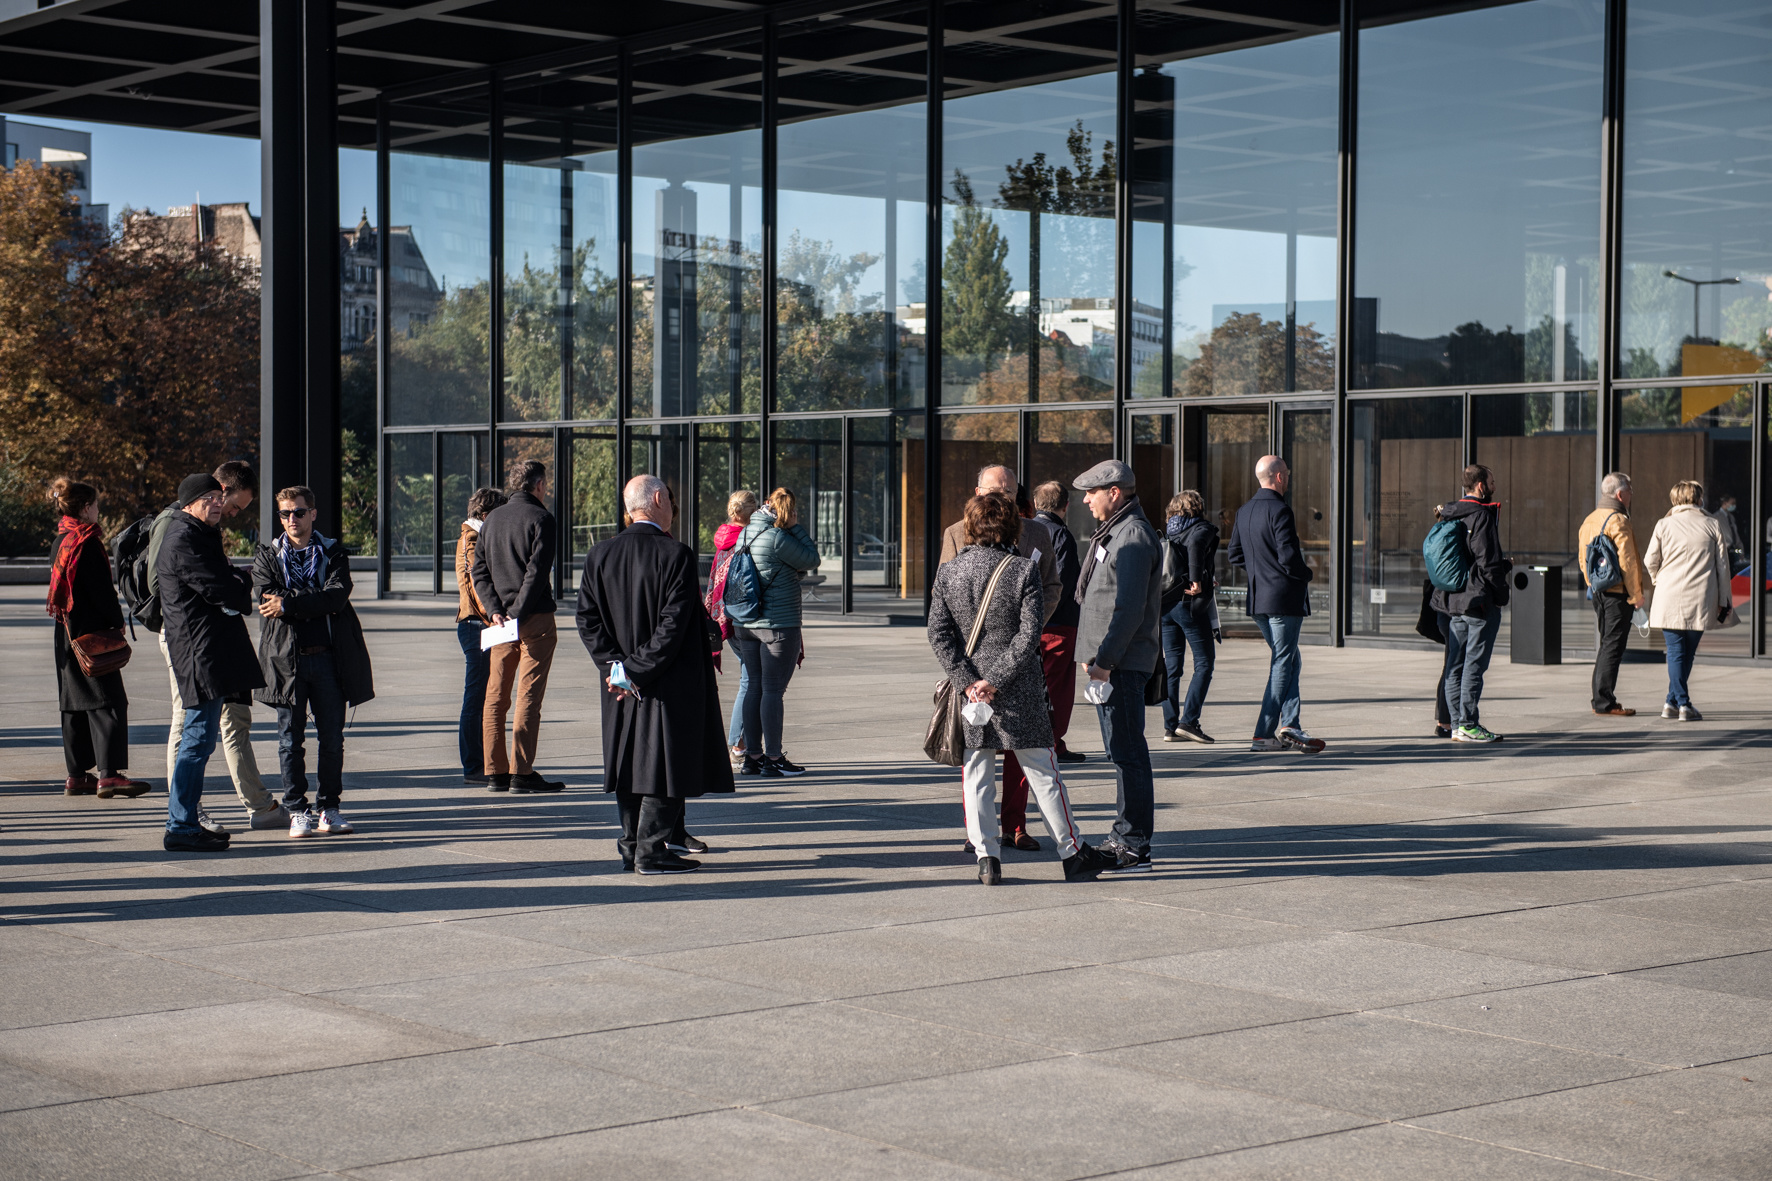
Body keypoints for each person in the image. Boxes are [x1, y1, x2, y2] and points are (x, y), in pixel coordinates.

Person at [928, 492, 1112, 885]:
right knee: (1044, 773)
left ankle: (986, 858)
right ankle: (1072, 852)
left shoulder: (949, 573)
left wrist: (970, 682)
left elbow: (938, 634)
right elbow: (1030, 635)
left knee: (976, 773)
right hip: (1019, 687)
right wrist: (996, 679)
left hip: (973, 692)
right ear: (1012, 526)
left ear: (971, 527)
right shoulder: (1021, 571)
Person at [576, 474, 735, 874]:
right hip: (667, 681)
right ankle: (649, 850)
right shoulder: (675, 554)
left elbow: (586, 619)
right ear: (659, 499)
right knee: (670, 764)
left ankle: (632, 846)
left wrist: (615, 667)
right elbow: (673, 624)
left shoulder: (600, 554)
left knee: (629, 763)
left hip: (620, 683)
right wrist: (634, 669)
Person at [147, 460, 284, 833]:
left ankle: (247, 805)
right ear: (213, 493)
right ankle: (186, 815)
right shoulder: (179, 530)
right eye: (228, 503)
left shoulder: (201, 528)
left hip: (210, 640)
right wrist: (233, 587)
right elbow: (203, 584)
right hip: (189, 641)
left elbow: (221, 578)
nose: (228, 512)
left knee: (222, 723)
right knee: (192, 730)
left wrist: (228, 582)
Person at [939, 465, 1063, 851]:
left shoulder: (1038, 532)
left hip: (1021, 658)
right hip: (972, 663)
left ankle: (1015, 825)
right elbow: (943, 600)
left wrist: (1026, 631)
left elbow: (1051, 585)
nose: (1003, 499)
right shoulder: (956, 533)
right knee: (976, 755)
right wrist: (964, 669)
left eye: (1010, 492)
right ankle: (979, 835)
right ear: (977, 492)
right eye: (995, 491)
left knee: (1023, 751)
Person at [253, 485, 375, 837]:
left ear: (313, 514)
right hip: (285, 661)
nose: (292, 519)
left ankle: (329, 807)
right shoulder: (267, 555)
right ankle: (296, 810)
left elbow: (336, 596)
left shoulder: (334, 552)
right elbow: (265, 597)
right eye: (285, 514)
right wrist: (312, 598)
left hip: (329, 660)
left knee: (331, 739)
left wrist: (289, 604)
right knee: (289, 739)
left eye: (299, 512)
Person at [1072, 459, 1163, 873]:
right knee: (1122, 751)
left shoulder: (1133, 535)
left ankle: (1132, 845)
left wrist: (1105, 662)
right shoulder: (1117, 531)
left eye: (1092, 492)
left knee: (1128, 754)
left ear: (1115, 492)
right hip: (1112, 664)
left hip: (1120, 665)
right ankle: (1126, 838)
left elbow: (1128, 610)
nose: (1086, 499)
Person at [46, 479, 149, 799]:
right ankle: (109, 774)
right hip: (91, 635)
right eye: (96, 504)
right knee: (109, 700)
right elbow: (102, 591)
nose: (99, 509)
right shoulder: (86, 540)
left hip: (65, 634)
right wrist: (116, 623)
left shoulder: (60, 540)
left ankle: (77, 775)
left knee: (74, 703)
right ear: (85, 507)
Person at [471, 459, 565, 793]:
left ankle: (495, 772)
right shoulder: (542, 518)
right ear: (538, 485)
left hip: (500, 623)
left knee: (495, 697)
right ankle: (521, 773)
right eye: (545, 484)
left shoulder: (492, 519)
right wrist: (518, 612)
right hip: (533, 618)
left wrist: (496, 610)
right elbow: (537, 573)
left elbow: (477, 571)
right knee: (528, 696)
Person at [1228, 455, 1324, 754]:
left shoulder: (1245, 511)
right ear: (1280, 477)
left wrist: (1261, 571)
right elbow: (1289, 558)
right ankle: (1263, 732)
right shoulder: (1280, 510)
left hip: (1259, 599)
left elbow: (1235, 555)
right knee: (1283, 662)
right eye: (1288, 474)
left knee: (1290, 659)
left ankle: (1290, 723)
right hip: (1283, 599)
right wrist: (1307, 573)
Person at [732, 486, 819, 778]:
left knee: (753, 687)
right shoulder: (778, 537)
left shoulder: (744, 533)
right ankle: (774, 758)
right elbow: (810, 559)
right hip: (777, 626)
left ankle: (752, 757)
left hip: (745, 624)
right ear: (787, 512)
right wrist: (796, 528)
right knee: (771, 690)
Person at [1431, 465, 1511, 743]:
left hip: (1453, 600)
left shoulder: (1448, 513)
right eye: (1491, 481)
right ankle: (1467, 723)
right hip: (1478, 601)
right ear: (1480, 486)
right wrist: (1502, 593)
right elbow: (1487, 563)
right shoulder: (1481, 516)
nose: (1494, 486)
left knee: (1455, 664)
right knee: (1474, 665)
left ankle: (1456, 725)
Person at [1645, 480, 1732, 721]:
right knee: (1688, 653)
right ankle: (1683, 704)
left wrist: (1657, 580)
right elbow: (1723, 567)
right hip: (1700, 597)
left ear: (1674, 500)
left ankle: (1671, 703)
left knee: (1675, 651)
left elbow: (1650, 560)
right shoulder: (1712, 525)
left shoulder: (1663, 524)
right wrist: (1724, 599)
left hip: (1668, 595)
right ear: (1699, 499)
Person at [1578, 472, 1648, 717]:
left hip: (1599, 592)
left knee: (1607, 643)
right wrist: (1636, 595)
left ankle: (1601, 698)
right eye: (1630, 490)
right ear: (1620, 494)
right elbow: (1628, 562)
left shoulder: (1589, 520)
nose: (1631, 495)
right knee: (1612, 646)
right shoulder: (1618, 520)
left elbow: (1582, 560)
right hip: (1618, 594)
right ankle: (1604, 701)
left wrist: (1592, 583)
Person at [1030, 481, 1085, 765]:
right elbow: (1062, 583)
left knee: (1035, 684)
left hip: (1031, 623)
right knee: (1058, 687)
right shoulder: (1061, 534)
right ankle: (1052, 742)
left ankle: (1040, 740)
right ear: (1066, 505)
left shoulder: (1027, 531)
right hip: (1058, 623)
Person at [455, 487, 506, 784]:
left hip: (482, 624)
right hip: (477, 625)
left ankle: (484, 763)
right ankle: (473, 765)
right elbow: (477, 584)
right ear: (486, 515)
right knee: (476, 698)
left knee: (485, 695)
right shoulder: (471, 539)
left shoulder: (479, 537)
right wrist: (494, 615)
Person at [1158, 489, 1218, 744]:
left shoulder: (1170, 531)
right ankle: (1189, 721)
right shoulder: (1199, 529)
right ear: (1197, 507)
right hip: (1187, 604)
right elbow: (1195, 547)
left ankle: (1171, 726)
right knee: (1204, 662)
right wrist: (1197, 581)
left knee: (1173, 666)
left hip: (1165, 605)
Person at [710, 489, 759, 769]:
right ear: (751, 513)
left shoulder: (723, 537)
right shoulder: (746, 539)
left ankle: (741, 745)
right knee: (751, 680)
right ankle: (738, 746)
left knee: (750, 679)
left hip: (727, 616)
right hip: (746, 617)